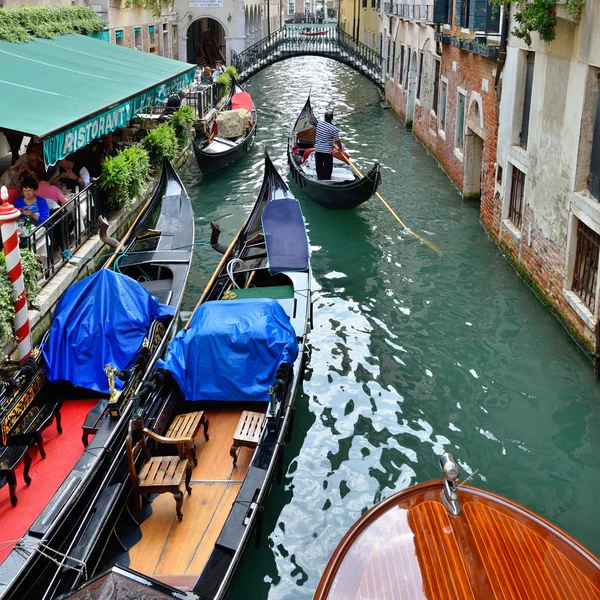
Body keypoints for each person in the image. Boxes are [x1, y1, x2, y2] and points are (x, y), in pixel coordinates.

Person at [314, 110, 343, 180]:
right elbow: (337, 141)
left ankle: (320, 179)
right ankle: (326, 179)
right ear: (332, 118)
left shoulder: (319, 124)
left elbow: (318, 135)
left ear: (324, 117)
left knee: (319, 167)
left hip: (318, 149)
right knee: (328, 168)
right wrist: (340, 149)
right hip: (327, 151)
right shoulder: (333, 129)